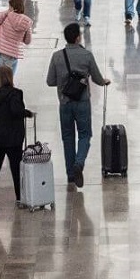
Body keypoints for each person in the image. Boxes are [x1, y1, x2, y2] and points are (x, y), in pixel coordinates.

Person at [45, 23, 110, 189]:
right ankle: (79, 163)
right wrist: (104, 81)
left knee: (67, 138)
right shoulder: (86, 55)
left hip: (64, 103)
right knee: (85, 135)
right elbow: (97, 78)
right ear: (77, 38)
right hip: (82, 103)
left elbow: (50, 81)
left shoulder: (57, 56)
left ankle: (70, 175)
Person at [0, 0, 34, 75]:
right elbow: (27, 41)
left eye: (9, 6)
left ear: (12, 7)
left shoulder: (6, 15)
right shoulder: (26, 22)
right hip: (13, 55)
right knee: (7, 81)